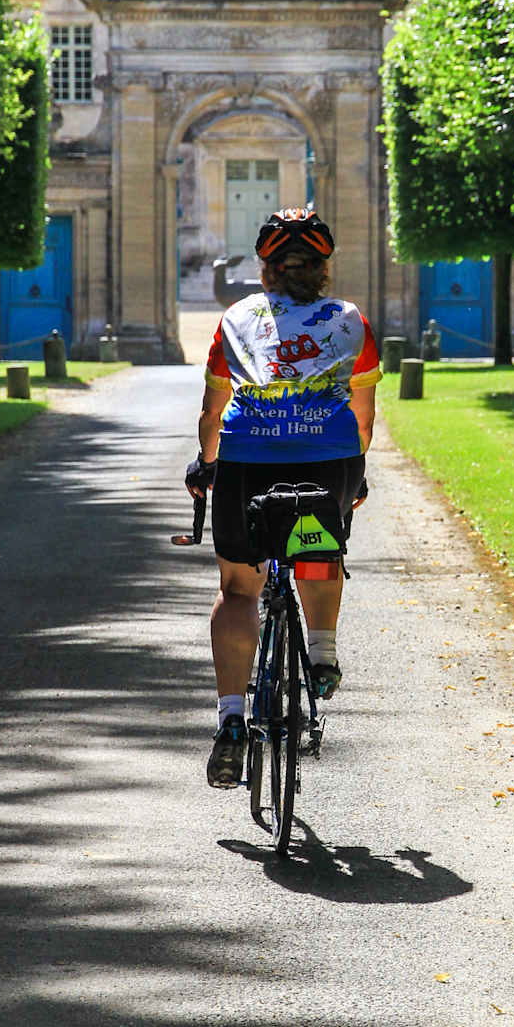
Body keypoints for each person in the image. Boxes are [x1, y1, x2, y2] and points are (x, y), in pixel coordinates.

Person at [185, 209, 379, 789]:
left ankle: (231, 720)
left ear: (265, 268)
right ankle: (321, 655)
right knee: (319, 551)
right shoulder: (351, 321)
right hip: (330, 459)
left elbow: (212, 411)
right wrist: (354, 471)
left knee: (238, 588)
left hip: (248, 461)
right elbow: (364, 418)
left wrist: (208, 464)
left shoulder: (237, 317)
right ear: (322, 270)